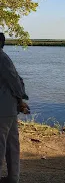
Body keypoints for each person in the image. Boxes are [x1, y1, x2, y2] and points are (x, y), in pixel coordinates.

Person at [0, 32, 30, 183]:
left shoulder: (2, 58)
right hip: (6, 109)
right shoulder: (3, 58)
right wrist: (21, 99)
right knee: (11, 145)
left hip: (6, 110)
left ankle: (12, 178)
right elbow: (15, 81)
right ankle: (13, 178)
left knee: (9, 144)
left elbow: (14, 80)